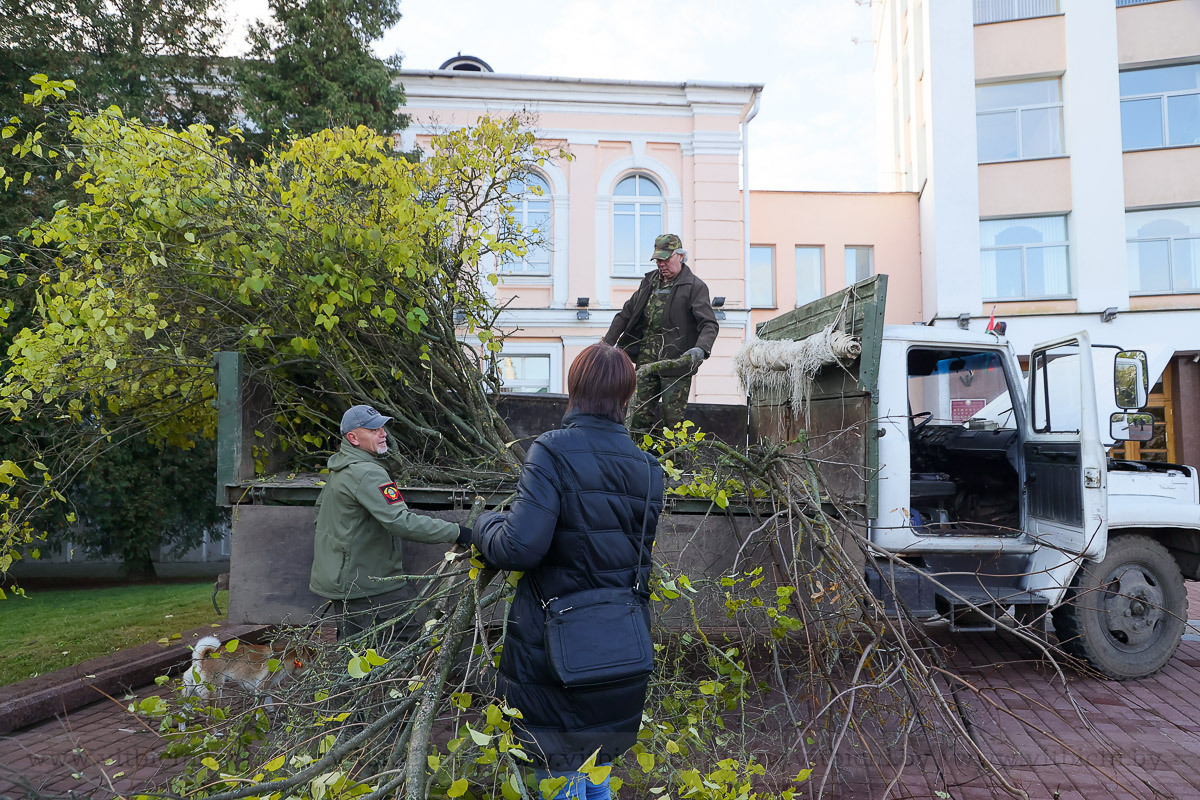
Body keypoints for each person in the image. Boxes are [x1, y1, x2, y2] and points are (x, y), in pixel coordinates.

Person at [470, 343, 664, 799]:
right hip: (620, 650)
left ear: (574, 388)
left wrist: (485, 525)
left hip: (555, 655)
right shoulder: (649, 468)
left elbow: (519, 547)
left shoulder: (553, 452)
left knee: (558, 777)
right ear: (626, 396)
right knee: (596, 771)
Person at [310, 404, 471, 641]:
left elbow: (319, 513)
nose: (383, 433)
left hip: (346, 581)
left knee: (356, 651)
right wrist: (458, 532)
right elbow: (401, 522)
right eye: (374, 429)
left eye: (382, 427)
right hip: (370, 583)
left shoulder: (341, 468)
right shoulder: (367, 473)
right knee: (404, 643)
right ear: (353, 438)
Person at [603, 232, 719, 435]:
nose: (661, 264)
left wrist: (700, 349)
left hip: (675, 366)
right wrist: (605, 344)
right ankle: (635, 463)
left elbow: (709, 324)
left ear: (680, 256)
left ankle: (676, 465)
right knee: (636, 419)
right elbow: (625, 314)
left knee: (673, 425)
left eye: (665, 259)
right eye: (658, 259)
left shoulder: (694, 287)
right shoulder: (648, 283)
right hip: (646, 364)